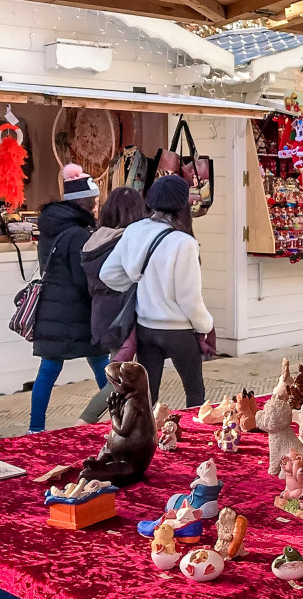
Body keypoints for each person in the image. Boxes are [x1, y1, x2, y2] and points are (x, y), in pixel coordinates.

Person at [100, 175, 213, 408]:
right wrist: (206, 326)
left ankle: (147, 439)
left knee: (146, 397)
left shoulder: (134, 230)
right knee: (194, 392)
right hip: (177, 330)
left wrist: (136, 278)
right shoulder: (183, 242)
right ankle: (194, 440)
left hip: (144, 327)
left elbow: (108, 274)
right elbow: (189, 298)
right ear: (183, 203)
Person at [28, 164, 110, 433]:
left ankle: (35, 429)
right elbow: (81, 278)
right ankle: (118, 419)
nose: (96, 206)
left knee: (48, 370)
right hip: (77, 312)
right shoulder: (77, 234)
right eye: (93, 201)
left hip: (52, 309)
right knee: (102, 366)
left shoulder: (50, 228)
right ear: (82, 202)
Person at [75, 187, 148, 426]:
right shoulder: (125, 240)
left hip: (102, 315)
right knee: (121, 381)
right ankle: (84, 421)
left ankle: (128, 424)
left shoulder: (93, 239)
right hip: (123, 316)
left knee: (120, 374)